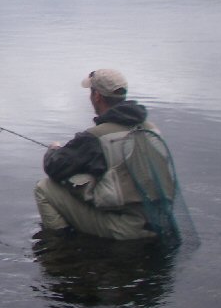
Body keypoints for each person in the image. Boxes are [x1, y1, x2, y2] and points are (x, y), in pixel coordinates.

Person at [33, 68, 167, 240]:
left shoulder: (95, 137)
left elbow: (54, 167)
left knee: (44, 188)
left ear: (96, 96)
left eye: (91, 92)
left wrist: (53, 149)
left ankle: (60, 246)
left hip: (126, 229)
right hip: (158, 221)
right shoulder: (151, 130)